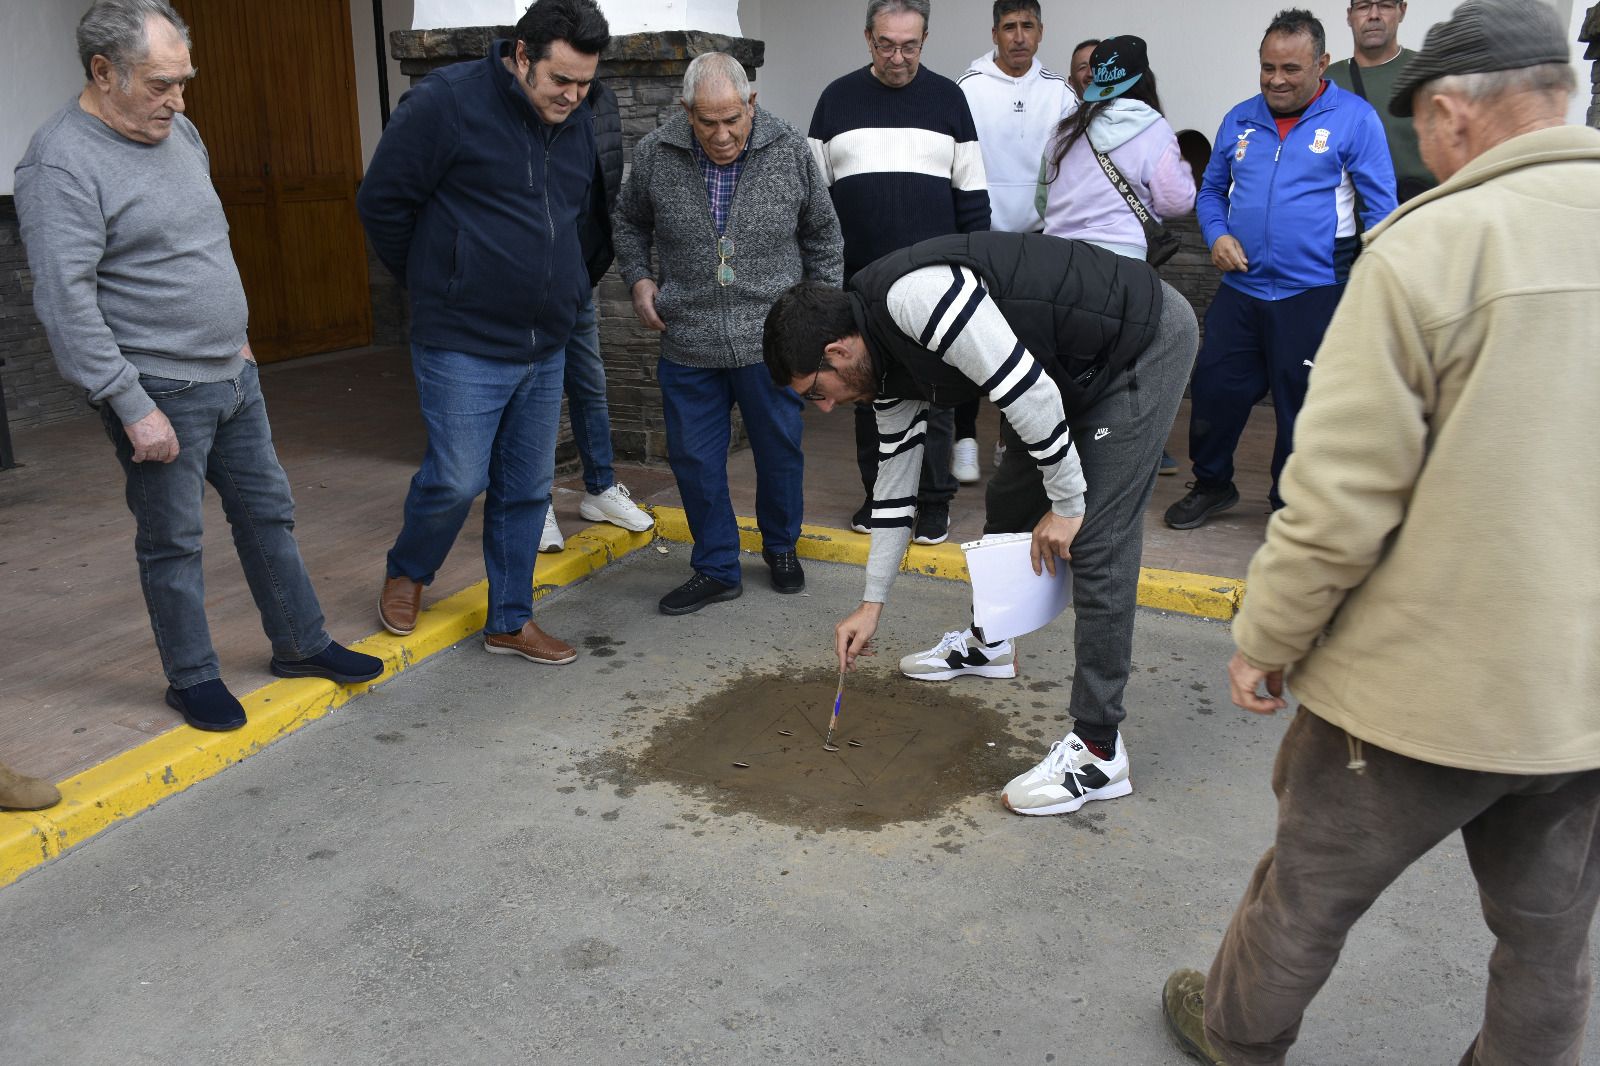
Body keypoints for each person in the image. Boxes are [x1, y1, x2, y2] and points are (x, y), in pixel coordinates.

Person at [1159, 2, 1600, 1062]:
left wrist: (1266, 640)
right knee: (1547, 943)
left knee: (1305, 892)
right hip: (1579, 697)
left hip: (1414, 695)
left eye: (1427, 128)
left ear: (1451, 115)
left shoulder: (1428, 249)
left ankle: (1237, 1038)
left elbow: (1339, 495)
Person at [14, 0, 383, 733]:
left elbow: (201, 241)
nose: (179, 100)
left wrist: (239, 338)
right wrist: (127, 401)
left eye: (184, 81)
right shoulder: (59, 163)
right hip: (156, 388)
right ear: (102, 72)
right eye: (160, 84)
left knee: (267, 513)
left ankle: (301, 643)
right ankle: (191, 678)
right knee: (174, 541)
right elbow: (65, 301)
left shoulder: (178, 130)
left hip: (232, 373)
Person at [763, 230, 1197, 816]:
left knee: (1096, 539)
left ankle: (1099, 751)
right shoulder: (881, 371)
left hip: (1138, 341)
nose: (825, 407)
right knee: (1013, 495)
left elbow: (1031, 396)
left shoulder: (916, 300)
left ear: (838, 351)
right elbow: (894, 492)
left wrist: (1069, 506)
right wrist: (872, 603)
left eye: (817, 391)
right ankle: (991, 642)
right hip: (1062, 364)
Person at [358, 0, 610, 666]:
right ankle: (410, 568)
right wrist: (441, 279)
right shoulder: (446, 103)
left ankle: (509, 619)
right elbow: (382, 203)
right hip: (461, 338)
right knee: (457, 477)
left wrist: (567, 285)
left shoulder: (579, 115)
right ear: (521, 55)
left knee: (528, 488)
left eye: (585, 84)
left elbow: (579, 211)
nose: (573, 96)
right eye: (562, 80)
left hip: (544, 340)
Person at [613, 52, 843, 615]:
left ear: (752, 105)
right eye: (706, 121)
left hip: (772, 341)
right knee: (693, 458)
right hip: (688, 337)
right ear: (686, 110)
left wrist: (818, 323)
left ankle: (782, 549)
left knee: (780, 451)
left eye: (732, 120)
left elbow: (824, 238)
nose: (721, 134)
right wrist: (640, 279)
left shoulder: (789, 150)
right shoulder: (655, 154)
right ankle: (716, 567)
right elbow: (627, 220)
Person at [1165, 8, 1395, 530]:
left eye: (1290, 68)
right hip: (1242, 288)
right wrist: (1217, 234)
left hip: (1315, 290)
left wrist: (1372, 285)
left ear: (1322, 64)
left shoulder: (1354, 120)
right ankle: (1213, 484)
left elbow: (1381, 211)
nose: (1276, 79)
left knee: (1303, 406)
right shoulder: (1241, 118)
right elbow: (1210, 192)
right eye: (1267, 67)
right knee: (1216, 389)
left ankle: (1289, 501)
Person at [807, 0, 990, 546]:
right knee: (870, 395)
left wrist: (975, 273)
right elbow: (815, 203)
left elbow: (973, 199)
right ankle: (882, 496)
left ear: (925, 40)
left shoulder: (948, 100)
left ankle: (934, 503)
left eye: (909, 45)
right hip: (859, 285)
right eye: (886, 44)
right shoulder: (836, 100)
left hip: (934, 282)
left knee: (934, 396)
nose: (897, 56)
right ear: (868, 38)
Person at [1038, 35, 1195, 482]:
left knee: (1061, 376)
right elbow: (1174, 200)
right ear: (1142, 78)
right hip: (1119, 275)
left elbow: (1039, 200)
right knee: (1114, 377)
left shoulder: (1065, 126)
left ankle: (1054, 470)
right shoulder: (1151, 126)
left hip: (1056, 268)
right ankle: (1103, 470)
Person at [955, 0, 1071, 485]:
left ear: (1041, 32)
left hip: (1036, 242)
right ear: (995, 33)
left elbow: (1071, 168)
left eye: (1027, 26)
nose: (1019, 36)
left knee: (1025, 347)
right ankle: (964, 438)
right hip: (979, 238)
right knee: (964, 338)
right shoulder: (968, 87)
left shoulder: (1060, 93)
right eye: (1009, 27)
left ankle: (1010, 440)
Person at [539, 75, 655, 554]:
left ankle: (600, 488)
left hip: (577, 273)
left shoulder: (602, 98)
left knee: (588, 382)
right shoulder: (522, 102)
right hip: (524, 279)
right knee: (536, 395)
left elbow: (599, 188)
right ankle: (532, 503)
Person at [1326, 0, 1437, 201]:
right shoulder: (1326, 82)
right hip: (1355, 226)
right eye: (1363, 6)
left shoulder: (1429, 72)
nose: (1374, 15)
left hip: (1424, 216)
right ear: (1350, 15)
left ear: (1401, 11)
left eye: (1384, 5)